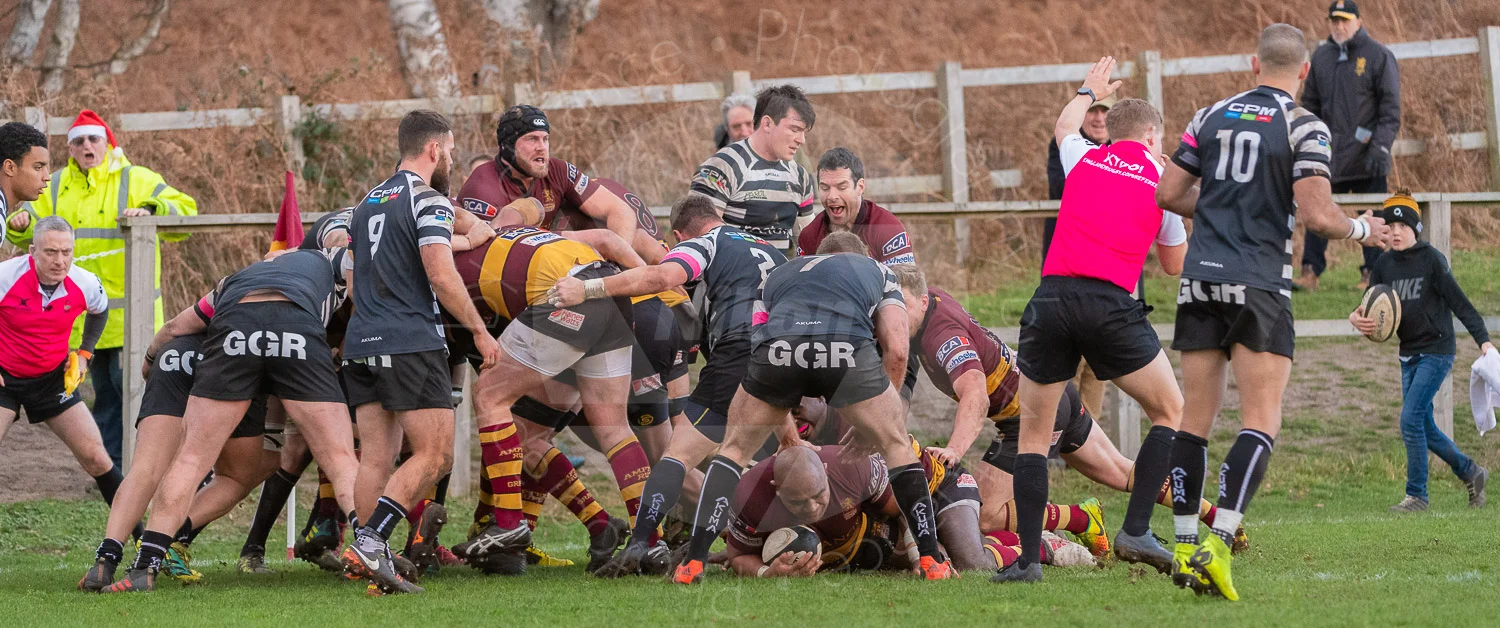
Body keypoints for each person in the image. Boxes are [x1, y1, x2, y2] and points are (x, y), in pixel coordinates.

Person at [1157, 23, 1391, 601]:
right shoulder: (1304, 125)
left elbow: (1167, 193)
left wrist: (1217, 205)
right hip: (1258, 284)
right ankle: (1218, 544)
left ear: (1253, 64)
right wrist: (1365, 228)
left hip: (1200, 282)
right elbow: (1317, 213)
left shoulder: (1208, 114)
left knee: (1194, 419)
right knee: (1261, 419)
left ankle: (1185, 546)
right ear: (1305, 72)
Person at [888, 264, 1244, 556]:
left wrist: (954, 449)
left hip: (1028, 416)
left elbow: (975, 396)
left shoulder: (940, 336)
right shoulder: (929, 303)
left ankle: (1080, 518)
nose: (896, 318)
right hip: (1056, 396)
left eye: (901, 306)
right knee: (1123, 472)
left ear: (921, 300)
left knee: (985, 516)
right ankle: (1218, 517)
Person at [664, 232, 955, 584]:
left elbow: (757, 343)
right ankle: (930, 561)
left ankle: (691, 565)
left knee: (733, 450)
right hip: (845, 350)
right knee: (896, 446)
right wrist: (883, 414)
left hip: (779, 351)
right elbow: (896, 349)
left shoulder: (777, 274)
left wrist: (784, 427)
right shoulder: (879, 271)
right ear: (862, 255)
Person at [996, 57, 1188, 585]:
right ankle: (1137, 530)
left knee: (1035, 434)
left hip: (1051, 298)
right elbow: (1173, 265)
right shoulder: (1162, 180)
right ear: (1151, 136)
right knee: (1169, 409)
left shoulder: (1083, 156)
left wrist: (1087, 89)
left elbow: (1063, 125)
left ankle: (1029, 562)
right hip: (1108, 305)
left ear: (1112, 132)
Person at [100, 246, 363, 594]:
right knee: (340, 457)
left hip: (222, 337)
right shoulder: (330, 260)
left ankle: (141, 565)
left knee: (189, 458)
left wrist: (149, 361)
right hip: (295, 328)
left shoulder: (237, 279)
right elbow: (364, 297)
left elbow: (177, 325)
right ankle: (373, 549)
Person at [554, 195, 788, 578]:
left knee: (676, 456)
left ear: (680, 235)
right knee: (733, 455)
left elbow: (660, 277)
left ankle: (644, 542)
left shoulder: (705, 243)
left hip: (740, 351)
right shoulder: (772, 251)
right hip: (782, 358)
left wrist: (588, 289)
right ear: (719, 216)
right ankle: (710, 552)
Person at [339, 110, 501, 595]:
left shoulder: (367, 202)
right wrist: (477, 331)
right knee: (434, 456)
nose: (451, 157)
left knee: (376, 459)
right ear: (434, 150)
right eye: (450, 150)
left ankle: (372, 558)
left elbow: (351, 278)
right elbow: (439, 270)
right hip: (409, 341)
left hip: (360, 341)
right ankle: (372, 544)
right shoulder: (427, 199)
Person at [439, 222, 651, 575]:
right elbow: (600, 237)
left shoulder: (442, 261)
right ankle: (646, 540)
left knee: (491, 398)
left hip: (566, 300)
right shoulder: (508, 231)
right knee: (593, 431)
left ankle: (508, 525)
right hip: (611, 293)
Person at [5, 110, 198, 469]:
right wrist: (19, 223)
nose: (86, 146)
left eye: (94, 139)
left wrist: (151, 210)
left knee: (136, 396)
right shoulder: (57, 183)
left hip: (132, 317)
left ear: (108, 143)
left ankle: (150, 466)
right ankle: (114, 470)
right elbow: (33, 228)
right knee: (104, 399)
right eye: (78, 141)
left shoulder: (136, 178)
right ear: (71, 149)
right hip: (83, 321)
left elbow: (186, 211)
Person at [78, 332, 274, 590]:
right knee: (235, 475)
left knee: (145, 470)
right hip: (234, 355)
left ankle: (104, 562)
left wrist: (151, 355)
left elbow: (177, 324)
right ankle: (158, 546)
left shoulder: (226, 290)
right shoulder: (313, 295)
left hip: (175, 353)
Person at [1350, 192, 1490, 511]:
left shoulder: (1432, 260)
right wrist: (1355, 317)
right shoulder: (1384, 264)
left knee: (1410, 419)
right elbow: (1368, 307)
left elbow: (1461, 304)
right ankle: (1471, 471)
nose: (1396, 231)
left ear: (1416, 228)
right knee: (1423, 425)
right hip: (1407, 353)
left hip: (1437, 350)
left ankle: (1417, 496)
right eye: (1391, 225)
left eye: (1403, 225)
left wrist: (1483, 341)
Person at [0, 212, 120, 517]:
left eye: (67, 252)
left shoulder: (85, 282)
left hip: (52, 378)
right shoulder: (6, 276)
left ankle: (142, 542)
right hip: (6, 378)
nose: (60, 261)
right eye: (51, 252)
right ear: (33, 252)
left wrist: (84, 354)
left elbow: (100, 311)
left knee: (96, 457)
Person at [1295, 0, 1401, 292]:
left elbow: (1390, 109)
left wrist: (1380, 146)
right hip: (1329, 155)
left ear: (1358, 21)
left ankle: (1373, 273)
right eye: (1334, 21)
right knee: (1319, 211)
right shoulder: (1322, 57)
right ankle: (1310, 272)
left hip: (1367, 155)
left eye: (1344, 20)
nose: (1339, 26)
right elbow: (1310, 104)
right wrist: (1309, 142)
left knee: (1374, 216)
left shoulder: (1378, 56)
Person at [456, 105, 643, 257]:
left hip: (551, 256)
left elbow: (620, 210)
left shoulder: (559, 170)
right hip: (507, 274)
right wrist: (592, 240)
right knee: (601, 237)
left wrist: (617, 259)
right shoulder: (483, 186)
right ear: (507, 147)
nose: (541, 148)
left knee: (641, 239)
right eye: (532, 139)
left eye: (545, 139)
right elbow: (501, 253)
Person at [690, 84, 816, 253]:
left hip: (782, 277)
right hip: (729, 277)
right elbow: (697, 243)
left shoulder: (800, 176)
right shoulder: (719, 168)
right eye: (794, 129)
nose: (802, 140)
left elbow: (808, 246)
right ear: (767, 124)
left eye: (804, 132)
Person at [795, 147, 915, 265]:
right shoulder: (809, 236)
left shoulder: (888, 229)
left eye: (841, 187)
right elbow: (801, 283)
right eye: (824, 188)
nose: (832, 196)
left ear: (860, 187)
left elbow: (907, 283)